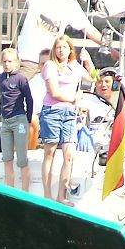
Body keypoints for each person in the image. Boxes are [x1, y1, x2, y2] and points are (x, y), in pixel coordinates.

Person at [39, 34, 91, 204]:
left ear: (70, 50)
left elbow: (92, 78)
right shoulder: (50, 66)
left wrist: (88, 60)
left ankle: (61, 196)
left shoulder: (74, 66)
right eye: (58, 47)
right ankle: (48, 194)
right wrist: (74, 98)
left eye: (64, 47)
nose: (61, 50)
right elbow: (54, 92)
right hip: (52, 112)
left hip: (69, 114)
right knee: (51, 152)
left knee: (69, 155)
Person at [15, 0, 113, 81]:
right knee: (19, 99)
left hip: (52, 64)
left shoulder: (69, 3)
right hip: (28, 61)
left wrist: (108, 46)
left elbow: (88, 29)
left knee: (49, 100)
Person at [0, 48, 34, 191]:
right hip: (6, 122)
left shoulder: (21, 79)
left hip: (19, 120)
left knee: (22, 158)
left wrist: (27, 119)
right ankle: (10, 189)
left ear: (17, 62)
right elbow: (3, 100)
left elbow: (29, 99)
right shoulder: (1, 78)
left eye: (10, 61)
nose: (7, 64)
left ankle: (25, 191)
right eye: (4, 62)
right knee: (7, 157)